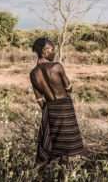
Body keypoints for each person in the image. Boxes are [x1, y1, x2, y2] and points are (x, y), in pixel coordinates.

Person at [29, 37, 85, 173]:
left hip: (50, 109)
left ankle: (48, 174)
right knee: (68, 148)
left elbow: (40, 100)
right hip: (65, 107)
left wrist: (49, 110)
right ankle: (66, 174)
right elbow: (69, 88)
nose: (54, 52)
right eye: (52, 49)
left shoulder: (33, 73)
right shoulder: (57, 66)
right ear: (44, 51)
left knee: (55, 145)